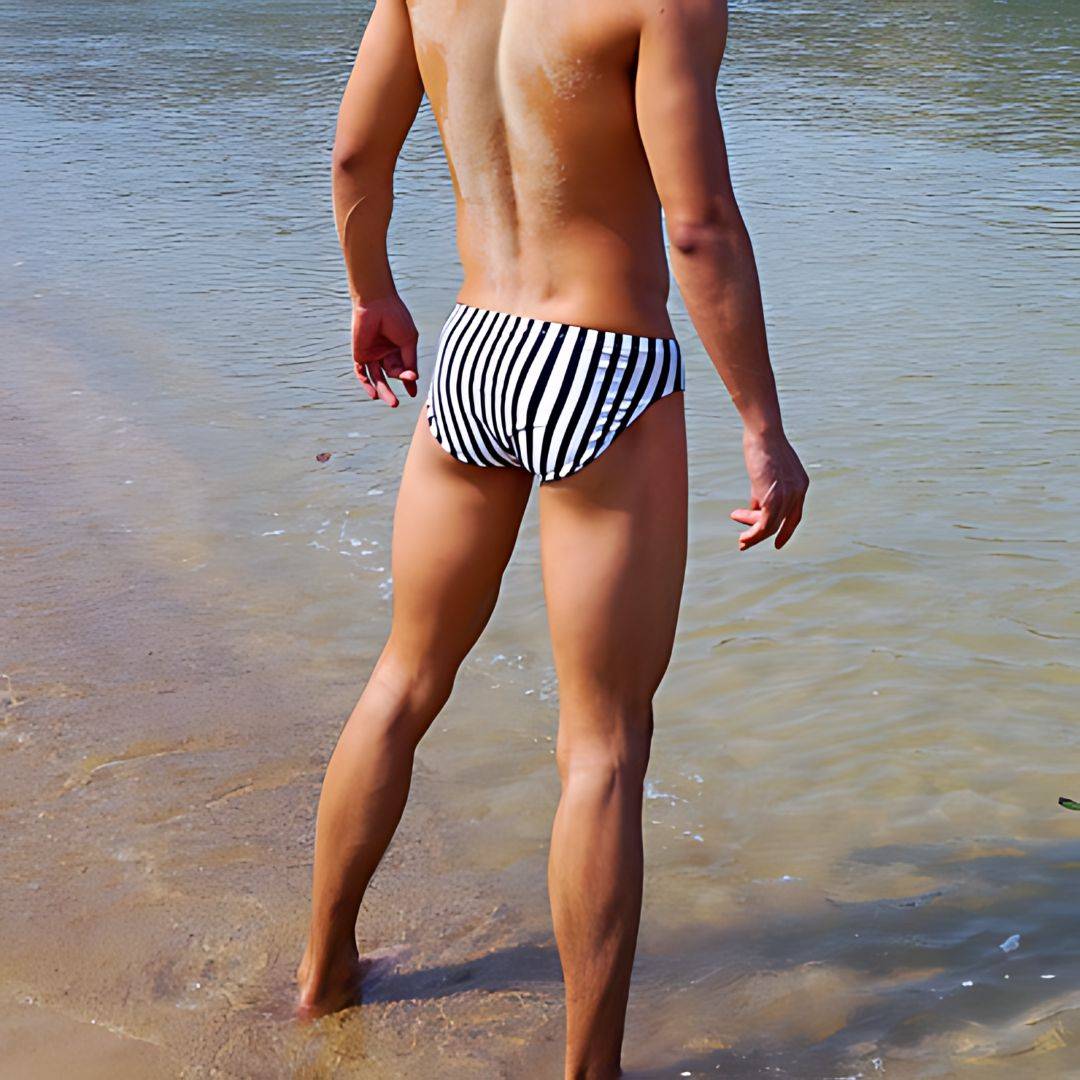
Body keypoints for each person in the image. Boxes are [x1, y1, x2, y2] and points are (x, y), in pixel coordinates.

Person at [296, 0, 809, 1074]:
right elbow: (698, 223)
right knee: (605, 746)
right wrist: (763, 427)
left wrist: (372, 291)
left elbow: (353, 155)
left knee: (402, 680)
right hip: (604, 361)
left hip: (476, 351)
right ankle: (590, 1070)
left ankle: (325, 975)